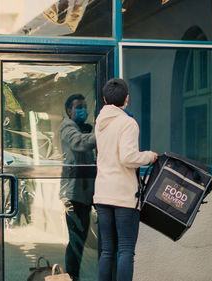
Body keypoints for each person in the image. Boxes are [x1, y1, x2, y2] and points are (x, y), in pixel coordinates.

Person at [93, 78, 158, 281]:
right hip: (123, 196)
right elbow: (128, 158)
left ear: (104, 99)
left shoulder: (100, 123)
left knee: (107, 250)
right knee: (126, 249)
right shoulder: (127, 123)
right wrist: (150, 156)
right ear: (127, 99)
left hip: (103, 194)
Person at [59, 94, 96, 281]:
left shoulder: (82, 129)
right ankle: (72, 277)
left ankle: (73, 277)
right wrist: (102, 136)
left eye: (85, 106)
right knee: (76, 241)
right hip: (73, 194)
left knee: (78, 242)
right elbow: (79, 143)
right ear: (69, 110)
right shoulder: (67, 126)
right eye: (79, 106)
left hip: (84, 194)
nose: (83, 110)